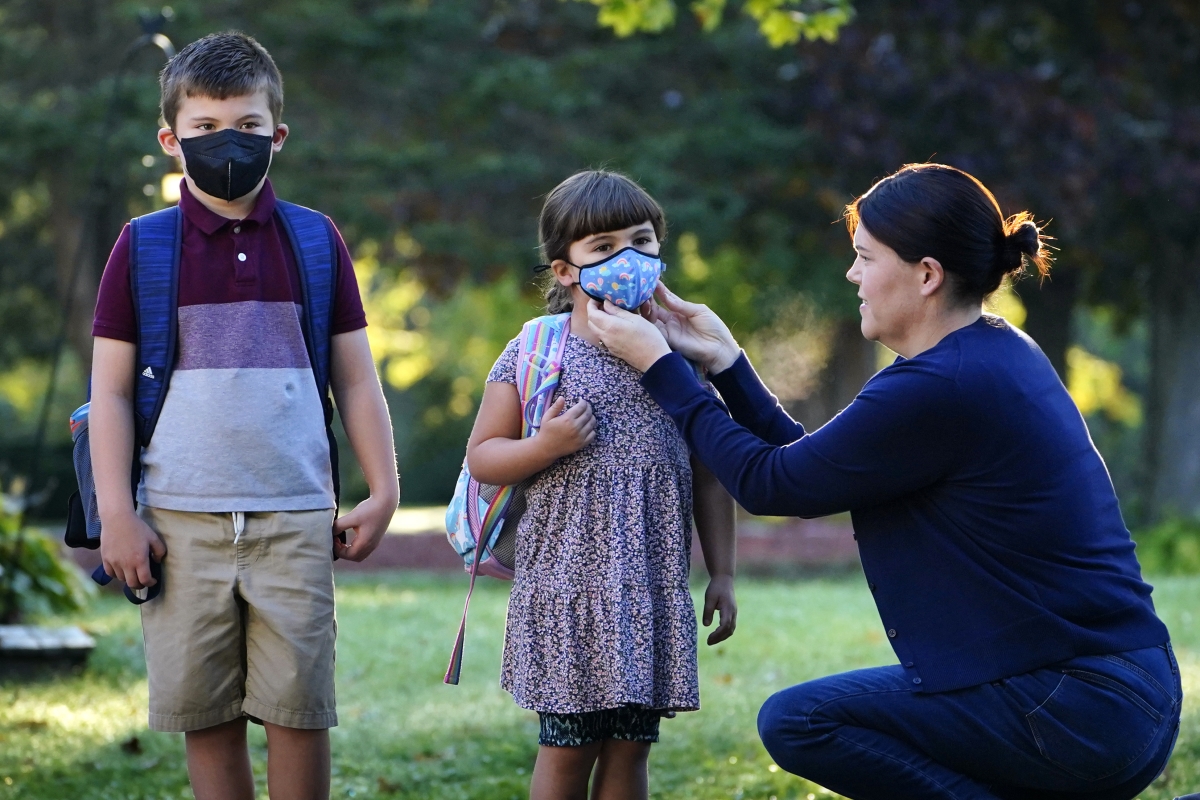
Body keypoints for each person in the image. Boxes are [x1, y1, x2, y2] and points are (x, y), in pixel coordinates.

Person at [586, 163, 1180, 799]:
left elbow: (769, 486)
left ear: (926, 275)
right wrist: (727, 362)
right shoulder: (985, 354)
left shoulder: (941, 386)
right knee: (811, 716)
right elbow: (811, 469)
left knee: (803, 721)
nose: (852, 275)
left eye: (865, 258)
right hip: (1109, 696)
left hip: (1080, 706)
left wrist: (659, 366)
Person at [89, 32, 399, 800]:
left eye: (248, 126)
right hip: (178, 524)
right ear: (171, 139)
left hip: (295, 518)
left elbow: (357, 382)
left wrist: (383, 489)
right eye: (204, 128)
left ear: (277, 135)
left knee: (299, 714)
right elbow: (113, 393)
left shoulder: (315, 241)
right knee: (210, 719)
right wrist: (117, 516)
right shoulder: (142, 247)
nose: (228, 141)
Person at [466, 170, 738, 800]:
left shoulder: (682, 359)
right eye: (603, 248)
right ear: (565, 271)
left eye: (642, 242)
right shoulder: (538, 350)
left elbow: (710, 476)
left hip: (648, 593)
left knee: (629, 754)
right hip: (566, 594)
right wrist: (545, 447)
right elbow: (483, 457)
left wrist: (722, 572)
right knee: (567, 753)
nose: (628, 259)